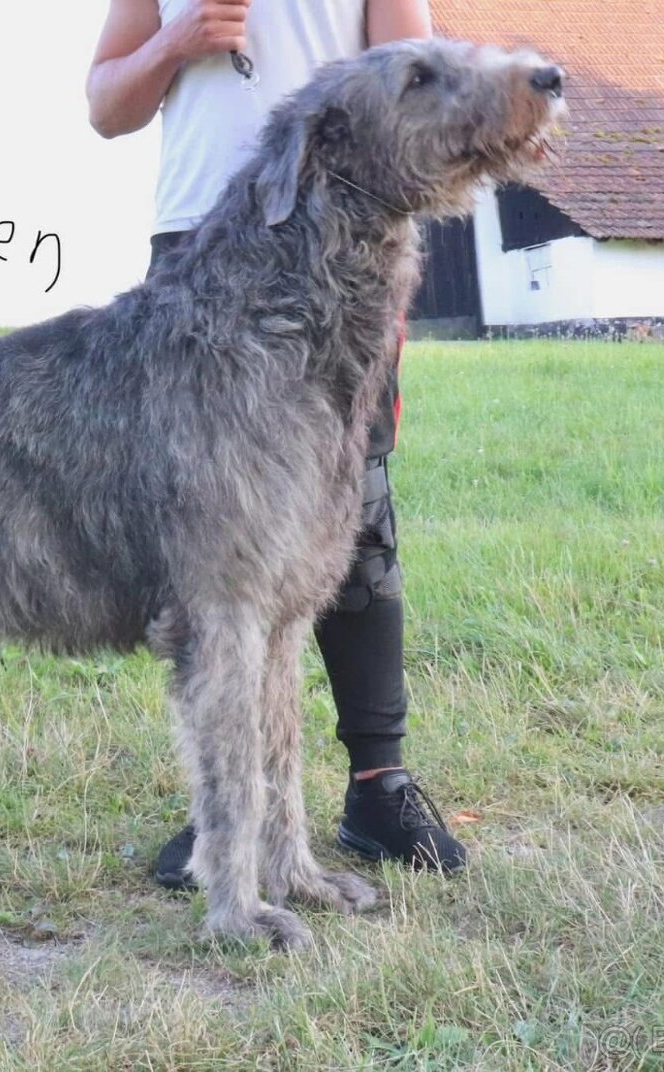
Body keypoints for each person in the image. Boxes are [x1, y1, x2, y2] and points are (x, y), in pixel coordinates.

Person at [86, 0, 468, 883]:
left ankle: (379, 788)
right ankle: (225, 810)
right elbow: (105, 106)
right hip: (200, 242)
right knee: (210, 538)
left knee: (353, 504)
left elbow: (428, 83)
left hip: (342, 238)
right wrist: (177, 40)